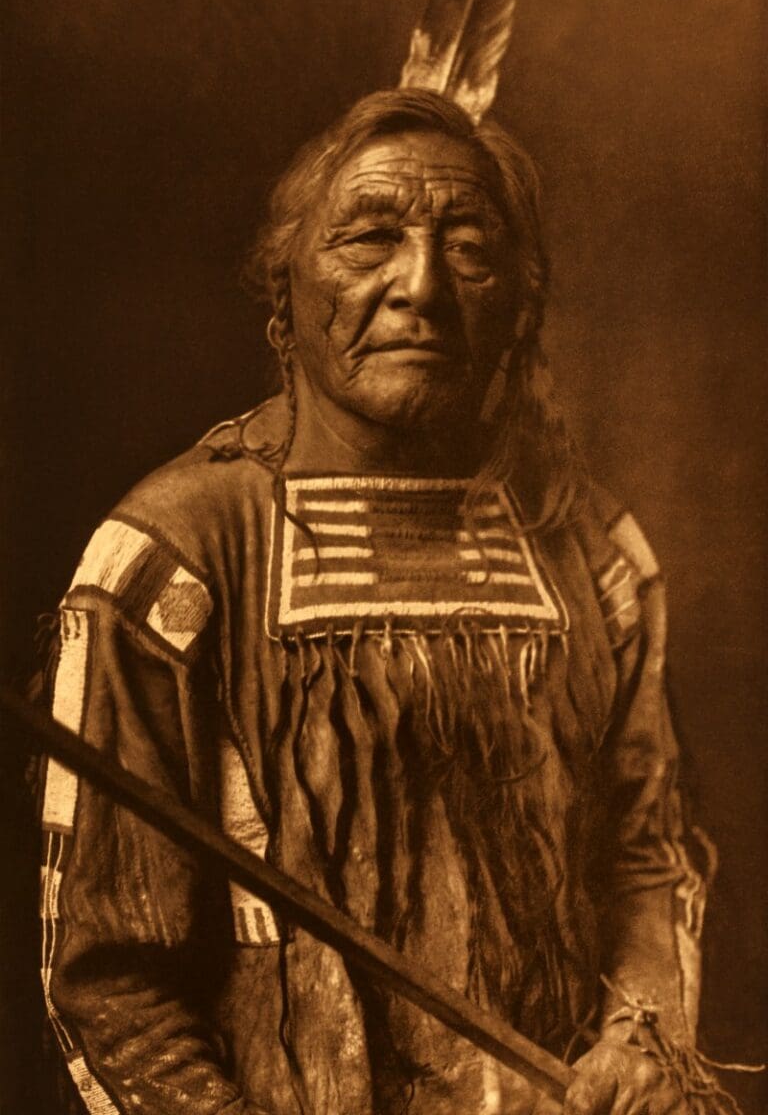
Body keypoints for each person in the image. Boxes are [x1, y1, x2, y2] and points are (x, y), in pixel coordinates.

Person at [39, 89, 712, 1115]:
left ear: (517, 304)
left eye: (470, 248)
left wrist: (641, 1036)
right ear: (285, 291)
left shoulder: (588, 547)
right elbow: (108, 980)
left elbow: (642, 857)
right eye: (367, 239)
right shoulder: (175, 557)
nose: (422, 287)